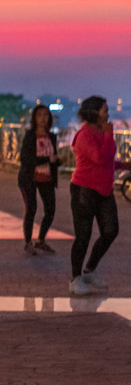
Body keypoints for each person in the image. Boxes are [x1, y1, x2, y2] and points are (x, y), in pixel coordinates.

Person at [68, 96, 131, 296]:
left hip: (104, 191)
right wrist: (109, 133)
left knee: (110, 231)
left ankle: (89, 270)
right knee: (83, 235)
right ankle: (75, 279)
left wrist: (124, 165)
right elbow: (99, 157)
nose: (108, 114)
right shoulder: (85, 135)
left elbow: (107, 161)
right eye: (105, 110)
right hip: (84, 190)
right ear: (94, 112)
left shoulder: (101, 132)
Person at [19, 105, 59, 257]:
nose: (43, 118)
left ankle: (41, 240)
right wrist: (47, 159)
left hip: (46, 178)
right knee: (31, 209)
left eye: (46, 115)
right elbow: (25, 159)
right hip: (29, 177)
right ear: (34, 118)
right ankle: (28, 242)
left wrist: (57, 161)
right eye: (40, 115)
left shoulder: (51, 137)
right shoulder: (30, 136)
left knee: (50, 210)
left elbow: (53, 159)